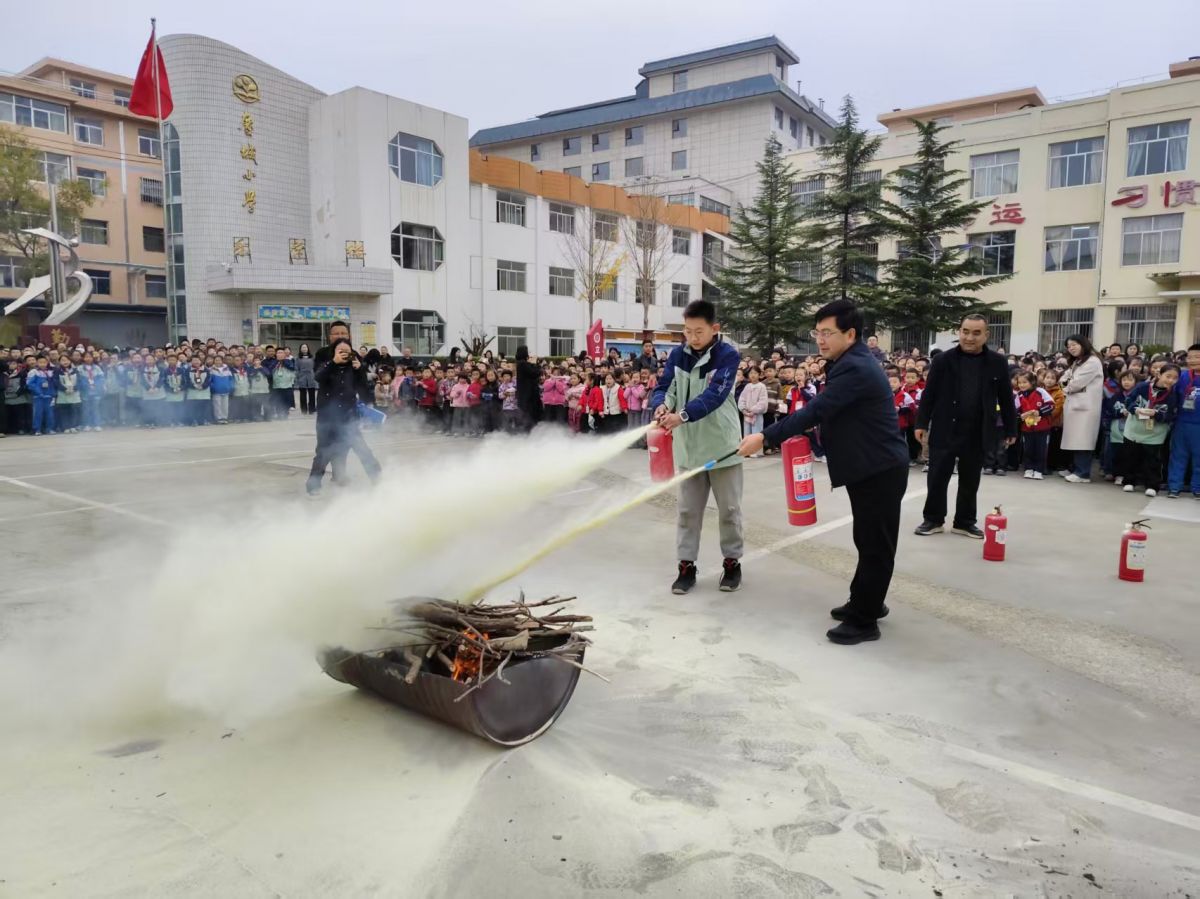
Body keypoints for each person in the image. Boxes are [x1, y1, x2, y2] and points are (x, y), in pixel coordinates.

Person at [739, 301, 909, 644]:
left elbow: (819, 409)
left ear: (851, 334)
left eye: (827, 333)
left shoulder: (856, 367)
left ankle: (865, 619)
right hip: (868, 467)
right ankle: (866, 601)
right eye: (817, 332)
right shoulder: (845, 362)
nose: (820, 339)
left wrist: (765, 436)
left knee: (876, 544)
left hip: (880, 468)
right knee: (867, 540)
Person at [652, 299, 744, 595]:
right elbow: (664, 386)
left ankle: (732, 563)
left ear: (714, 329)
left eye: (698, 332)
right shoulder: (678, 355)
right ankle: (686, 566)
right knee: (688, 512)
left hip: (722, 449)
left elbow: (716, 394)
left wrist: (682, 415)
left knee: (729, 509)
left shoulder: (727, 356)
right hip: (689, 450)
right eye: (687, 331)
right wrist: (660, 406)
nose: (692, 338)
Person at [914, 314, 1017, 538]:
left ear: (986, 335)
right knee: (937, 477)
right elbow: (929, 394)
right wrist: (921, 422)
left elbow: (1006, 398)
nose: (970, 337)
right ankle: (933, 519)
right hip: (945, 428)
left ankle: (964, 521)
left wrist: (1011, 428)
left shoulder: (997, 363)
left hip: (977, 430)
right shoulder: (943, 360)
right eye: (965, 331)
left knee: (970, 479)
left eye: (976, 333)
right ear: (959, 332)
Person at [306, 338, 380, 496]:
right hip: (327, 419)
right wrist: (333, 362)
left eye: (347, 352)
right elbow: (318, 377)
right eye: (341, 351)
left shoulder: (355, 368)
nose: (344, 355)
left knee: (363, 449)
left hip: (349, 419)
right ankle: (313, 486)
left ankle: (378, 479)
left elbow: (365, 392)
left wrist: (360, 370)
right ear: (334, 352)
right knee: (323, 453)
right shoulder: (326, 364)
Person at [1118, 364, 1180, 497]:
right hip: (1134, 428)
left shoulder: (1173, 394)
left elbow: (1171, 416)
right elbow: (1129, 400)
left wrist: (1156, 414)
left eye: (1175, 378)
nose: (1170, 380)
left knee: (1153, 459)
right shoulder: (1143, 387)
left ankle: (1152, 485)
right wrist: (1136, 409)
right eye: (1168, 376)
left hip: (1155, 432)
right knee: (1131, 455)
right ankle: (1129, 481)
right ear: (1159, 375)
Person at [1058, 334, 1105, 483]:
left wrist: (1067, 384)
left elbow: (1074, 384)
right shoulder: (1077, 362)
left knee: (1083, 440)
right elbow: (1062, 380)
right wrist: (1067, 384)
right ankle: (1075, 469)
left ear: (1083, 344)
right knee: (1075, 439)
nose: (1071, 348)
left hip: (1086, 407)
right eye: (1069, 346)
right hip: (1075, 405)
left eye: (1074, 344)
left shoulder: (1092, 361)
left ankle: (1083, 473)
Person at [1167, 344, 1200, 498]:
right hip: (1182, 422)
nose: (1192, 360)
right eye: (1190, 357)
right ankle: (1174, 486)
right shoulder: (1183, 376)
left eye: (1197, 357)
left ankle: (1197, 488)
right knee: (1178, 455)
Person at [1014, 371, 1054, 479]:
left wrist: (1039, 412)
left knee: (1040, 449)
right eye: (1019, 383)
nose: (1021, 385)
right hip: (1026, 428)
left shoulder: (1040, 391)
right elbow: (1015, 411)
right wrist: (1021, 416)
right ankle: (1028, 469)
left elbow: (1051, 405)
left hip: (1042, 427)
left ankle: (1038, 470)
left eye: (1024, 382)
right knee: (1028, 449)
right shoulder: (1019, 395)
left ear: (1032, 382)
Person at [737, 366, 768, 455]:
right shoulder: (747, 386)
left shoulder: (762, 386)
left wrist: (754, 410)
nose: (753, 375)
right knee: (747, 432)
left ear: (759, 374)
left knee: (757, 432)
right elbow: (742, 399)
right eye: (751, 373)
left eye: (755, 373)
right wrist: (743, 409)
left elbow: (763, 401)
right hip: (747, 414)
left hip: (756, 414)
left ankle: (756, 452)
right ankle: (747, 452)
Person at [514, 346, 543, 432]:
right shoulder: (523, 364)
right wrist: (534, 363)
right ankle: (529, 434)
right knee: (530, 415)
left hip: (527, 394)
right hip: (528, 395)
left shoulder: (521, 364)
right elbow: (535, 373)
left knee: (528, 415)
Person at [296, 344, 317, 415]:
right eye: (302, 347)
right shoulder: (298, 358)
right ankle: (304, 410)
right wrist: (298, 376)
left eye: (305, 347)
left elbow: (315, 367)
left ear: (308, 348)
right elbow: (296, 369)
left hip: (311, 377)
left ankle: (312, 409)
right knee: (303, 395)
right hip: (302, 377)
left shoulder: (312, 358)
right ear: (300, 349)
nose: (304, 349)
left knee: (312, 395)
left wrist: (314, 375)